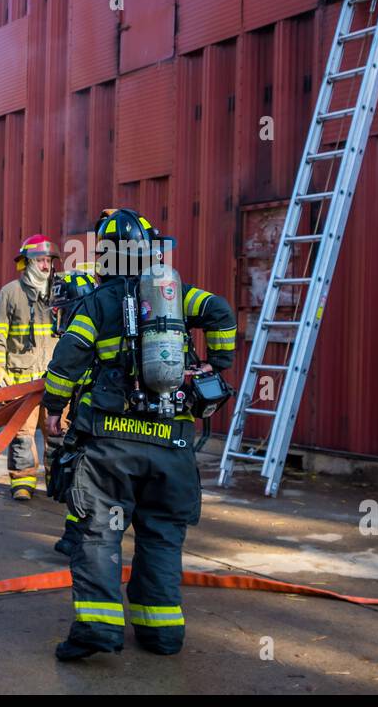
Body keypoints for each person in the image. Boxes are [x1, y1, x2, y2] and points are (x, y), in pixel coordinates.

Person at [41, 209, 236, 660]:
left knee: (98, 534)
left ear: (104, 257)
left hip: (111, 445)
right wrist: (217, 364)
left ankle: (97, 629)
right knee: (162, 534)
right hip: (171, 445)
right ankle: (161, 632)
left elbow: (66, 363)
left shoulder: (97, 303)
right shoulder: (174, 294)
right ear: (151, 250)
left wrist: (53, 409)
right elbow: (221, 313)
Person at [0, 234, 61, 501]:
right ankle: (23, 482)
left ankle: (58, 483)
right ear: (26, 263)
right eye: (40, 260)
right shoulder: (10, 294)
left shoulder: (61, 292)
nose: (46, 266)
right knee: (21, 435)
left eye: (49, 261)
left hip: (56, 381)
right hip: (20, 380)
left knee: (58, 432)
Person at [43, 269, 97, 558]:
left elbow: (65, 368)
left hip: (95, 417)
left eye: (61, 309)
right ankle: (74, 536)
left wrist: (54, 408)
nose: (58, 315)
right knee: (82, 476)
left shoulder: (84, 326)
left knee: (82, 475)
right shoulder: (106, 320)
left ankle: (78, 539)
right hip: (96, 415)